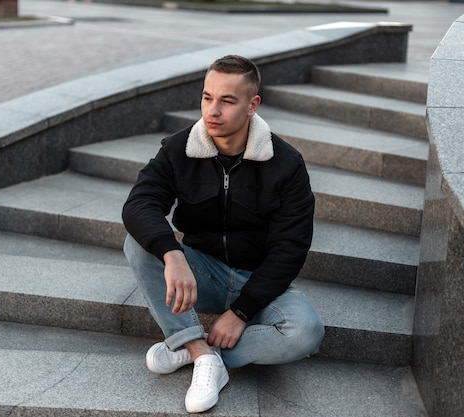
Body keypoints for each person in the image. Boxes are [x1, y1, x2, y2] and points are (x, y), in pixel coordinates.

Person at [122, 54, 324, 414]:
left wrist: (242, 312)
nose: (212, 111)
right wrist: (173, 254)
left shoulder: (286, 165)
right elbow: (139, 205)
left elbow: (290, 248)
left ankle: (195, 352)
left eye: (227, 101)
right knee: (139, 244)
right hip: (203, 275)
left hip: (260, 281)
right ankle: (200, 353)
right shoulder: (178, 150)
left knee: (305, 332)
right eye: (207, 97)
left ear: (252, 105)